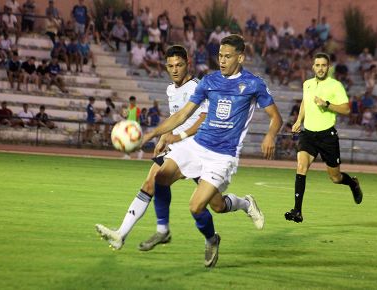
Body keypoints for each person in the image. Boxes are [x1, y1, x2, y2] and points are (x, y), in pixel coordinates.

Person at [138, 35, 282, 267]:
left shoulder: (253, 84)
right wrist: (152, 133)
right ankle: (162, 230)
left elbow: (276, 117)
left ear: (240, 57)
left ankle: (213, 237)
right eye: (220, 56)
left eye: (227, 56)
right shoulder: (209, 81)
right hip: (197, 146)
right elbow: (181, 115)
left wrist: (270, 135)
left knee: (201, 207)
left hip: (223, 155)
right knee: (160, 177)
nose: (222, 61)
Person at [95, 45, 210, 251]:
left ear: (188, 64)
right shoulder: (170, 90)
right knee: (150, 183)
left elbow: (202, 117)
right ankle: (121, 233)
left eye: (179, 65)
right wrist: (164, 137)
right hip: (177, 149)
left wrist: (175, 135)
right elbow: (175, 117)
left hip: (198, 150)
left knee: (216, 203)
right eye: (170, 66)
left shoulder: (196, 87)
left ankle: (244, 205)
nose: (174, 70)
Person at [285, 52, 363, 224]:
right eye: (317, 65)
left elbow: (346, 109)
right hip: (308, 135)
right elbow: (305, 102)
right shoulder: (307, 84)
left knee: (335, 178)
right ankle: (297, 210)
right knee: (301, 166)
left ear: (328, 67)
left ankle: (352, 183)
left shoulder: (335, 86)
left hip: (327, 136)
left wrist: (327, 104)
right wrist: (299, 121)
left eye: (323, 65)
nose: (320, 68)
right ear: (313, 67)